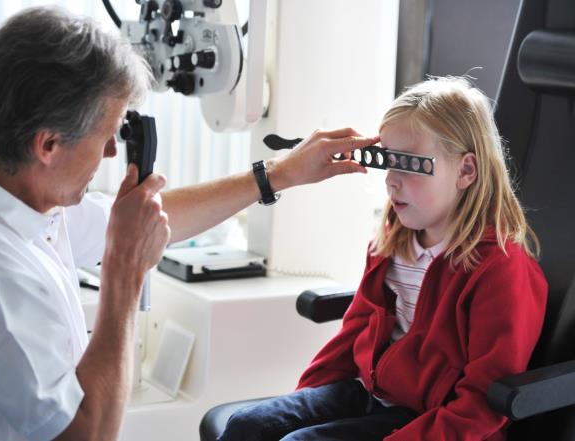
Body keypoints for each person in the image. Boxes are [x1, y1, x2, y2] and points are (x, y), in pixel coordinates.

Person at [0, 6, 376, 441]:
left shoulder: (11, 191)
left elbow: (152, 218)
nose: (110, 152)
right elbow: (88, 434)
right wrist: (124, 274)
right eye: (105, 135)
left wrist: (280, 173)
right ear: (48, 145)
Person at [218, 76, 549, 441]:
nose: (391, 181)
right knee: (246, 426)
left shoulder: (499, 269)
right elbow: (354, 332)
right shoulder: (393, 243)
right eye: (388, 163)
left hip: (431, 419)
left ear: (466, 171)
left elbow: (483, 403)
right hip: (372, 393)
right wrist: (303, 401)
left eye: (408, 165)